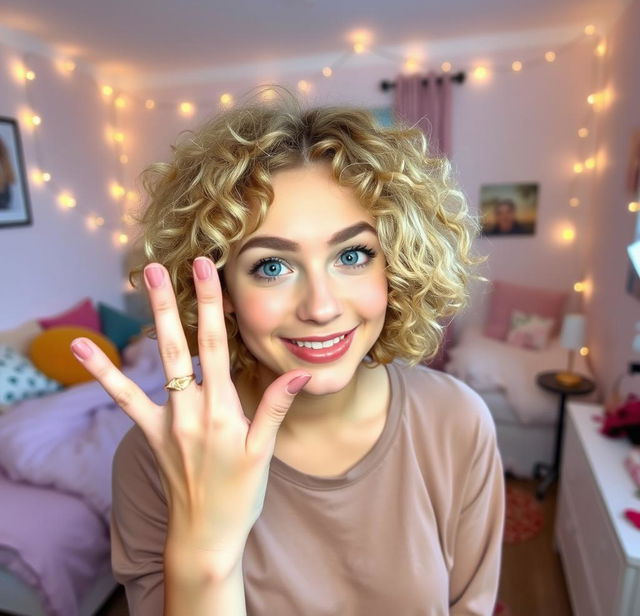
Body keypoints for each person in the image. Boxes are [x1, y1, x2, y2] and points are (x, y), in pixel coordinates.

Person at [70, 86, 505, 615]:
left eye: (353, 254)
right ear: (224, 293)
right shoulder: (157, 463)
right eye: (272, 266)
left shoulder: (457, 421)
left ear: (396, 265)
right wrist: (207, 553)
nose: (321, 307)